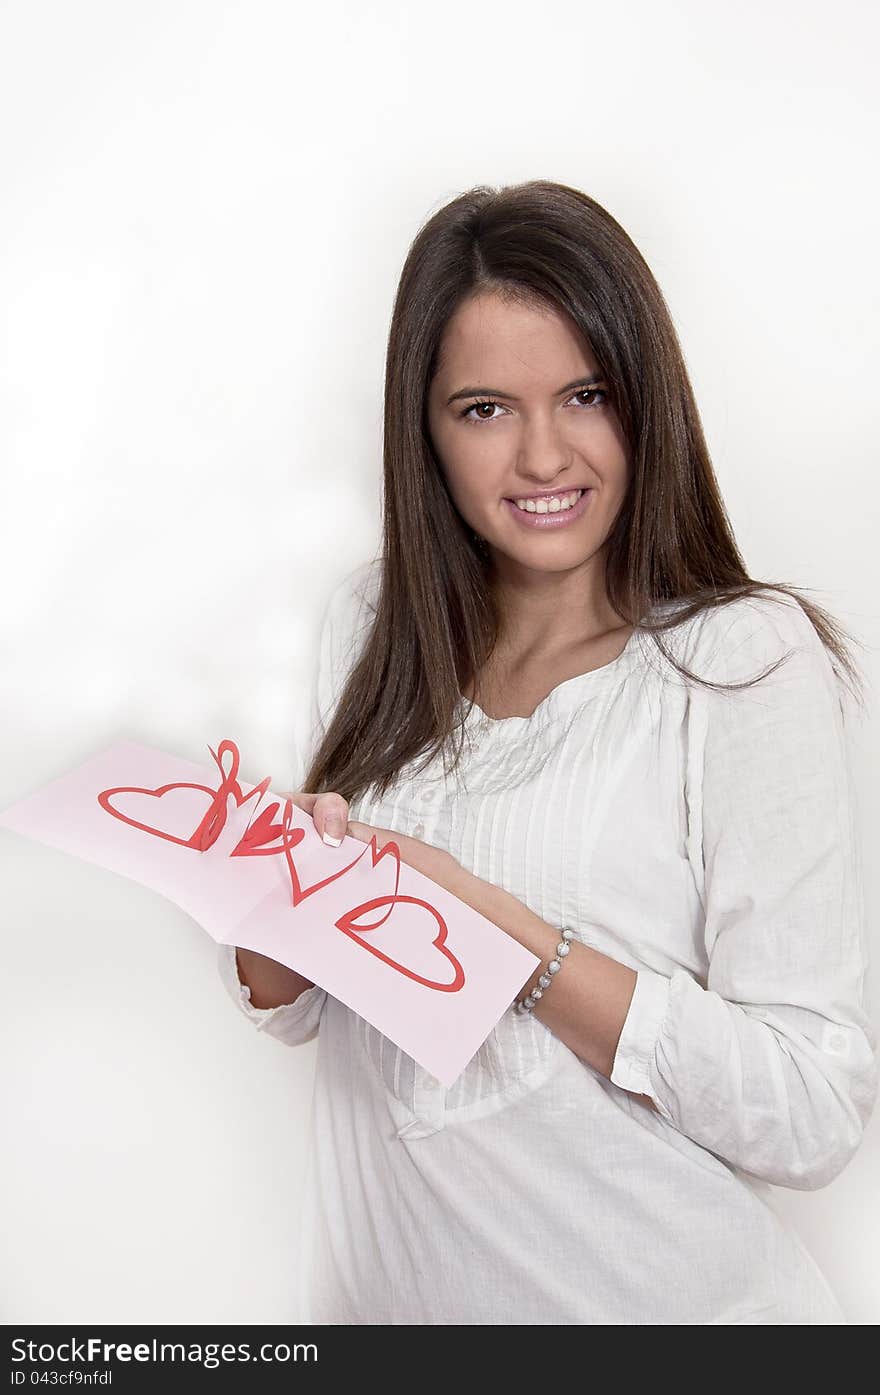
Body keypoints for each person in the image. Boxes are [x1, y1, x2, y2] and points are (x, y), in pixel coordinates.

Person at [218, 180, 877, 1324]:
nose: (540, 456)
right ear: (421, 429)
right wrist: (276, 911)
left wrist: (506, 934)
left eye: (585, 394)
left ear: (645, 401)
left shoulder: (739, 662)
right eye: (482, 408)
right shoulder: (372, 632)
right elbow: (309, 1011)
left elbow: (813, 1111)